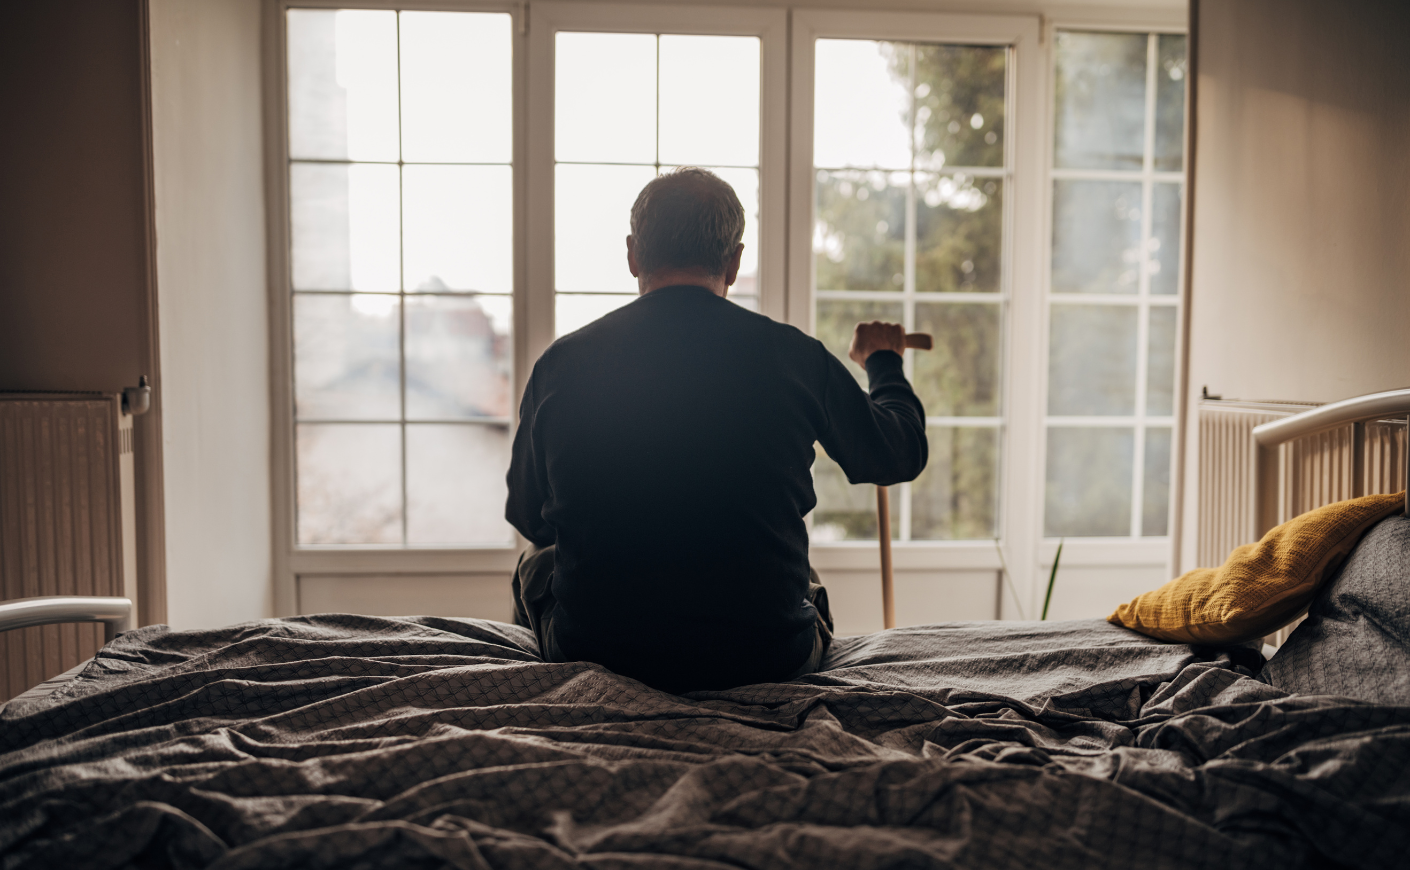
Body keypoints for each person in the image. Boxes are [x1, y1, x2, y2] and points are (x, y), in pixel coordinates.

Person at [506, 167, 926, 694]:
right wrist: (884, 362)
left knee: (535, 563)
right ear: (735, 260)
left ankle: (556, 696)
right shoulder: (795, 357)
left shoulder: (562, 364)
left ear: (634, 254)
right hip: (769, 656)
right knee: (803, 580)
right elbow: (898, 453)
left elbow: (529, 515)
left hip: (602, 651)